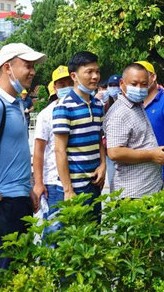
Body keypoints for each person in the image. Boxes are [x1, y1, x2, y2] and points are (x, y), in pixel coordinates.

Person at [0, 43, 45, 270]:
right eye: (27, 65)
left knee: (21, 269)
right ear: (7, 68)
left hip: (19, 199)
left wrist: (29, 188)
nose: (32, 71)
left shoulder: (17, 104)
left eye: (33, 66)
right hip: (2, 203)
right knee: (6, 271)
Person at [103, 63, 164, 198]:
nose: (139, 88)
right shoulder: (120, 113)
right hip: (132, 193)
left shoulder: (136, 106)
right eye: (134, 84)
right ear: (122, 84)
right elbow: (114, 152)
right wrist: (151, 155)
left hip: (147, 190)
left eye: (144, 84)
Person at [52, 51, 105, 222]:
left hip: (95, 184)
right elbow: (59, 150)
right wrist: (68, 190)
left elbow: (98, 139)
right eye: (89, 72)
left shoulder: (98, 105)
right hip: (76, 188)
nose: (95, 76)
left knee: (95, 236)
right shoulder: (64, 106)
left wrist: (103, 165)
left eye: (97, 71)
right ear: (74, 76)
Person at [33, 65, 73, 226]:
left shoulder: (82, 108)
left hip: (79, 179)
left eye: (69, 83)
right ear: (55, 88)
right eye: (61, 84)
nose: (66, 87)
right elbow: (38, 151)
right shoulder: (46, 114)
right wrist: (39, 183)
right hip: (54, 183)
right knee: (54, 232)